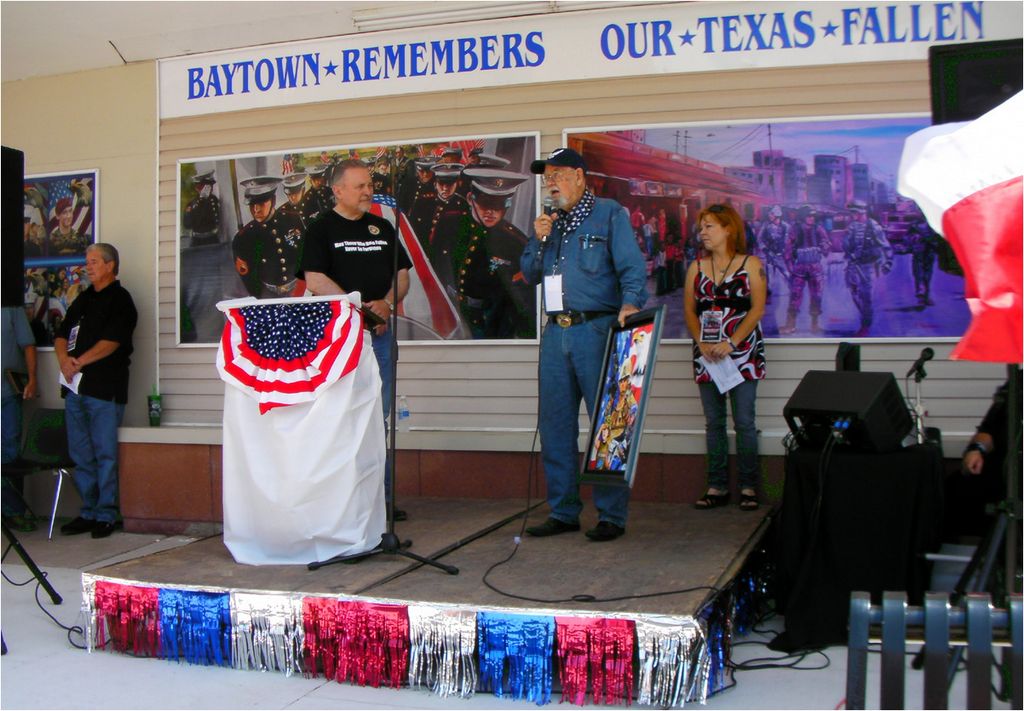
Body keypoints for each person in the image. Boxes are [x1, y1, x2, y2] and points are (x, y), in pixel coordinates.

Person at [520, 147, 648, 542]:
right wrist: (539, 238)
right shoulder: (548, 224)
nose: (551, 183)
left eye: (557, 175)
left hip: (596, 329)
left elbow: (632, 267)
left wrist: (630, 302)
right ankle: (563, 511)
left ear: (579, 176)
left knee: (607, 424)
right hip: (556, 332)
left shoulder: (609, 214)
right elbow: (529, 272)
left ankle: (611, 514)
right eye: (546, 178)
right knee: (555, 424)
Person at [299, 159, 413, 520]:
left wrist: (388, 303)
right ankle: (345, 501)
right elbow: (315, 280)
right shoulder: (319, 229)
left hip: (379, 339)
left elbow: (402, 274)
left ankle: (380, 500)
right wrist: (360, 312)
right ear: (338, 190)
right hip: (338, 342)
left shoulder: (382, 227)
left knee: (377, 418)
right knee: (341, 419)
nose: (368, 191)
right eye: (361, 186)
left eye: (369, 184)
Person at [684, 204, 767, 511]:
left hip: (742, 352)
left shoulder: (750, 264)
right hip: (707, 354)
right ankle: (716, 484)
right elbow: (690, 311)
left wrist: (732, 342)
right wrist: (701, 343)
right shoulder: (696, 267)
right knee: (713, 421)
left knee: (744, 420)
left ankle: (748, 485)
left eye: (709, 227)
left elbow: (757, 308)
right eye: (701, 227)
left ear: (728, 228)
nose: (702, 233)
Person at [55, 243, 137, 539]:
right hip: (75, 389)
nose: (87, 267)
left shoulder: (121, 300)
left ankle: (106, 513)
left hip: (104, 388)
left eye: (93, 262)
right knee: (81, 453)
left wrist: (79, 363)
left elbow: (113, 341)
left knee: (104, 453)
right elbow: (62, 334)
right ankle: (88, 511)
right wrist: (65, 360)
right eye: (87, 262)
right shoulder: (83, 299)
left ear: (110, 265)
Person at [430, 167, 535, 338]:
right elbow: (435, 262)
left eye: (499, 205)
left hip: (489, 324)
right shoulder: (450, 223)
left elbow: (522, 298)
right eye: (485, 203)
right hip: (450, 312)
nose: (491, 212)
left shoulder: (515, 242)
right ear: (471, 199)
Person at [952, 376, 1017, 537]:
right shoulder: (1016, 385)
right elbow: (988, 430)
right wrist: (976, 449)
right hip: (1005, 470)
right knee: (955, 487)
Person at [231, 176, 306, 298]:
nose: (256, 210)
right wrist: (261, 298)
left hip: (298, 289)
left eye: (261, 203)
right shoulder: (244, 237)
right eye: (252, 204)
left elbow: (306, 255)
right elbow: (248, 277)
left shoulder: (293, 220)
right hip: (268, 294)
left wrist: (302, 288)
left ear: (273, 201)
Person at [1, 306, 39, 532]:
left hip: (7, 393)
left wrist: (32, 379)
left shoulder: (10, 308)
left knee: (9, 454)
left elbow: (28, 345)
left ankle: (13, 512)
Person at [842, 200, 892, 337]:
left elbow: (885, 245)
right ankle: (864, 316)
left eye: (854, 213)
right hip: (853, 265)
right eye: (852, 213)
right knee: (854, 292)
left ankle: (865, 325)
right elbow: (846, 245)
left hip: (867, 266)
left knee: (867, 296)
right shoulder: (852, 226)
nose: (852, 215)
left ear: (861, 212)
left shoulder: (874, 227)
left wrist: (888, 262)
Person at [780, 205, 831, 334]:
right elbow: (788, 247)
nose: (811, 219)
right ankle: (790, 325)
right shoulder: (795, 229)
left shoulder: (818, 229)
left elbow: (826, 243)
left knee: (817, 295)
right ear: (803, 217)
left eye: (813, 216)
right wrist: (790, 265)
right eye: (809, 216)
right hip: (800, 267)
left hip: (815, 266)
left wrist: (823, 247)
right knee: (795, 295)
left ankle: (815, 324)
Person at [906, 215, 939, 308]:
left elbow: (937, 236)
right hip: (919, 251)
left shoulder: (932, 223)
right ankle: (921, 296)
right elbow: (908, 237)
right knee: (919, 273)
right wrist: (913, 239)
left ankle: (926, 296)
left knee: (927, 275)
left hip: (929, 252)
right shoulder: (914, 225)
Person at [182, 170, 221, 245]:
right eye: (207, 187)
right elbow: (187, 224)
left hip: (212, 239)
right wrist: (200, 203)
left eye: (210, 186)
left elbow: (216, 219)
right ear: (198, 188)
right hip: (198, 240)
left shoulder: (213, 200)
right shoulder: (192, 204)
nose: (210, 189)